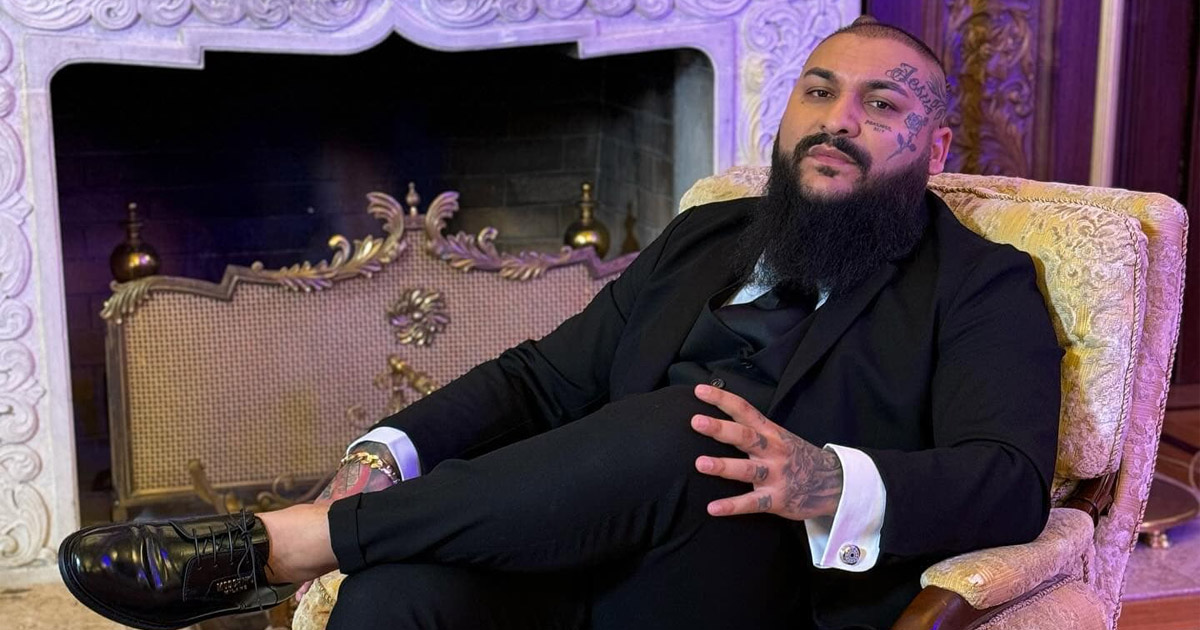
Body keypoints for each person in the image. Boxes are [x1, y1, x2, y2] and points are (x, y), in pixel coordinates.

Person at [57, 16, 1062, 630]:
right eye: (820, 91)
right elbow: (544, 378)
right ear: (790, 113)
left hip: (755, 589)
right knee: (396, 594)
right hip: (587, 558)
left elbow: (1012, 481)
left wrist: (827, 479)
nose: (838, 119)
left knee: (685, 427)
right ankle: (342, 536)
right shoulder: (709, 235)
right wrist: (382, 450)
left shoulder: (981, 285)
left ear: (935, 147)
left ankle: (287, 545)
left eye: (881, 105)